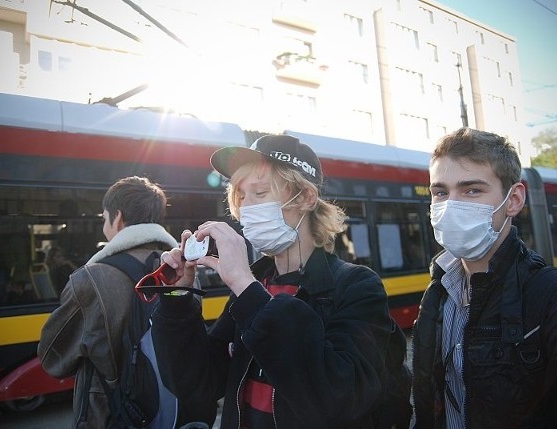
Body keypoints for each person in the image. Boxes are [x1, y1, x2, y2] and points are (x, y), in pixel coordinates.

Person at [152, 135, 408, 428]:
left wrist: (246, 287)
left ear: (305, 198)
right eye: (241, 196)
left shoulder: (356, 286)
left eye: (260, 193)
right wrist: (178, 299)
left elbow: (339, 399)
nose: (247, 208)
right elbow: (198, 386)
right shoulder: (254, 285)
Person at [411, 127, 557, 428]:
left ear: (513, 200)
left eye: (472, 189)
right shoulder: (437, 293)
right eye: (441, 192)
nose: (451, 206)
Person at [37, 176, 180, 428]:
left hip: (109, 415)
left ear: (118, 217)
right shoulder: (182, 271)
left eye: (104, 218)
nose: (104, 225)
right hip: (173, 411)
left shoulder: (91, 279)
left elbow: (53, 359)